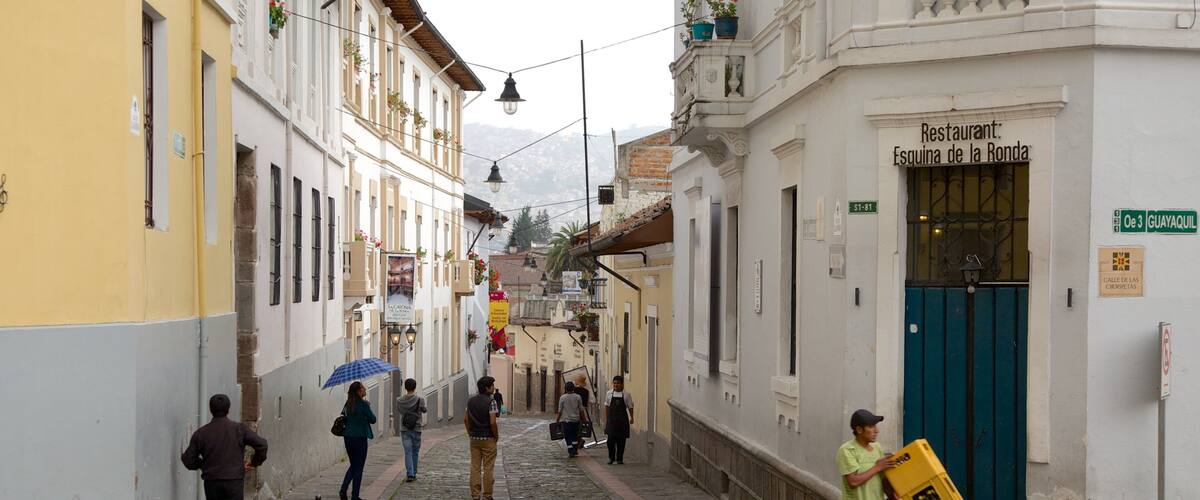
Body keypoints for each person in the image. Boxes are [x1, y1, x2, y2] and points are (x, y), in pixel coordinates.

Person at [181, 394, 268, 500]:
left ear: (211, 409)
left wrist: (203, 465)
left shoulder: (201, 433)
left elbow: (188, 459)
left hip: (212, 482)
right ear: (228, 409)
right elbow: (262, 445)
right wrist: (254, 463)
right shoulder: (239, 429)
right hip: (234, 481)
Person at [837, 409, 899, 500]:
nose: (876, 430)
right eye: (871, 426)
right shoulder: (847, 450)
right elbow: (853, 482)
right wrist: (877, 467)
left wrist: (892, 496)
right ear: (859, 430)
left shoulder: (877, 447)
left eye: (875, 426)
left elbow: (882, 478)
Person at [340, 381, 377, 500]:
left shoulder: (348, 404)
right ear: (359, 391)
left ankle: (343, 490)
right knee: (359, 467)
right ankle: (354, 496)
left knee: (354, 465)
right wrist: (367, 407)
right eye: (363, 388)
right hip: (360, 438)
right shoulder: (363, 405)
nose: (365, 390)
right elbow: (373, 419)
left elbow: (344, 415)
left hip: (348, 437)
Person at [465, 376, 500, 500]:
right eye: (492, 386)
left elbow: (466, 419)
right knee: (488, 468)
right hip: (488, 438)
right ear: (487, 388)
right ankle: (487, 495)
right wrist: (496, 436)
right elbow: (492, 423)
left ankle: (475, 495)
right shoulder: (492, 402)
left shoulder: (470, 401)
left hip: (474, 438)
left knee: (475, 467)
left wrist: (470, 433)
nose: (494, 388)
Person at [395, 378, 427, 482]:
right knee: (415, 452)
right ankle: (414, 472)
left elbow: (400, 411)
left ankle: (410, 474)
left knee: (407, 452)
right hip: (416, 428)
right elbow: (424, 410)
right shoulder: (419, 400)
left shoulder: (399, 400)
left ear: (405, 387)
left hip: (405, 429)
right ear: (415, 387)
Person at [603, 375, 634, 465]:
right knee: (610, 440)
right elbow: (607, 406)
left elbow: (630, 407)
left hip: (622, 421)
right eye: (614, 383)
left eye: (618, 383)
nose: (616, 385)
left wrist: (632, 417)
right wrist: (607, 418)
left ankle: (619, 458)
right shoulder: (609, 394)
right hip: (612, 420)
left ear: (622, 384)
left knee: (621, 440)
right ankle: (611, 458)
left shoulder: (626, 395)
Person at [556, 381, 587, 458]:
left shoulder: (562, 398)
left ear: (565, 389)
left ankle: (571, 451)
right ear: (573, 388)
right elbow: (581, 410)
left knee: (567, 436)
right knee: (575, 436)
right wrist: (584, 419)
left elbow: (560, 411)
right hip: (576, 421)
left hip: (566, 421)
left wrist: (557, 420)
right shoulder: (578, 397)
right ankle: (575, 449)